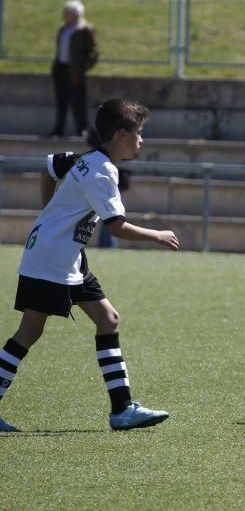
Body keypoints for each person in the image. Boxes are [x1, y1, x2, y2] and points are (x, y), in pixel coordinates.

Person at [0, 99, 179, 433]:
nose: (141, 141)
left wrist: (50, 211)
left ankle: (122, 409)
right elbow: (117, 227)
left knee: (108, 319)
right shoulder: (101, 172)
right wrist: (157, 234)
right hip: (52, 258)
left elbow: (49, 166)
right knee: (29, 332)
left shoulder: (87, 158)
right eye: (138, 134)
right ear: (122, 134)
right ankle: (122, 409)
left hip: (67, 256)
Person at [49, 0, 98, 138]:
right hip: (61, 68)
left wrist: (83, 67)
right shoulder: (63, 28)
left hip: (75, 70)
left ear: (76, 14)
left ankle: (82, 129)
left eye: (68, 12)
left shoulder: (85, 29)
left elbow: (93, 52)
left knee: (78, 101)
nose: (65, 15)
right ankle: (58, 129)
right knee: (61, 100)